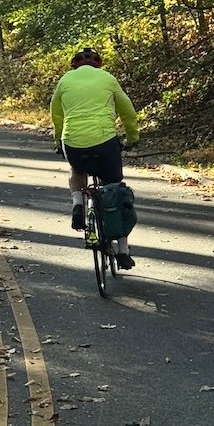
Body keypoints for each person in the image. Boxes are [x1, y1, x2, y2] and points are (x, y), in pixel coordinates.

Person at [50, 46, 140, 269]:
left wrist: (58, 142)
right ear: (98, 65)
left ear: (74, 66)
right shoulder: (107, 78)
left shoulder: (64, 81)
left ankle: (78, 203)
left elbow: (56, 115)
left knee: (77, 172)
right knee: (115, 188)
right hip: (104, 140)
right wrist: (132, 137)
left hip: (73, 141)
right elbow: (127, 110)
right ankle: (123, 251)